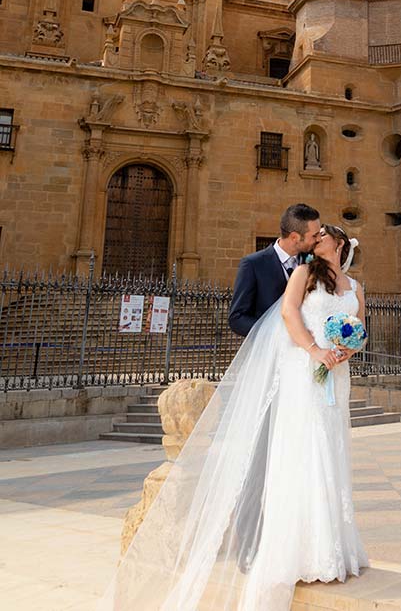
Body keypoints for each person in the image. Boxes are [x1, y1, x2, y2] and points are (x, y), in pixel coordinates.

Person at [99, 223, 368, 611]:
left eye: (322, 235)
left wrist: (346, 350)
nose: (315, 240)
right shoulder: (304, 274)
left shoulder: (355, 288)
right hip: (303, 372)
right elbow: (289, 314)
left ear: (339, 244)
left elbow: (361, 330)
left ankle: (332, 547)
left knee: (331, 451)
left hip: (335, 376)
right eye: (314, 234)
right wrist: (314, 350)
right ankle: (297, 550)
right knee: (301, 454)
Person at [229, 203, 321, 336]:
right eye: (314, 235)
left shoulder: (315, 262)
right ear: (294, 237)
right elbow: (237, 318)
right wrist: (275, 335)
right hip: (269, 350)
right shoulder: (253, 264)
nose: (319, 239)